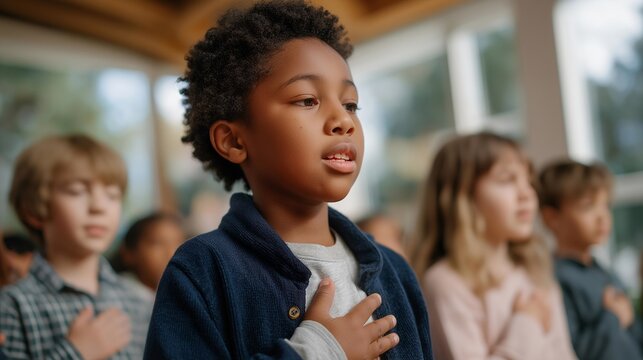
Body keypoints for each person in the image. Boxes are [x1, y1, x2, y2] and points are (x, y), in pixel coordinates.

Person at [144, 1, 432, 359]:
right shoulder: (202, 272)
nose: (343, 121)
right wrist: (322, 351)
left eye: (351, 104)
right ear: (234, 141)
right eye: (308, 100)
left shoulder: (395, 271)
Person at [410, 132, 576, 360]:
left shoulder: (534, 271)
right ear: (463, 197)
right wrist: (527, 323)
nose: (527, 193)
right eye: (507, 179)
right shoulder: (446, 282)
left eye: (528, 180)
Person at [0, 134, 152, 359]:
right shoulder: (12, 307)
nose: (99, 207)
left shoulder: (139, 302)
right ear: (33, 210)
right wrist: (76, 353)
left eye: (112, 195)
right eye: (76, 191)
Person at [538, 159, 643, 360]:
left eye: (605, 206)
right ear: (552, 218)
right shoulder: (555, 279)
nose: (602, 216)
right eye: (588, 207)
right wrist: (612, 317)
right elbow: (570, 350)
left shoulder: (606, 273)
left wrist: (628, 320)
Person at [112, 212, 185, 300]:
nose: (171, 253)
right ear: (128, 253)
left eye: (180, 244)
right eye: (158, 243)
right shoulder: (118, 297)